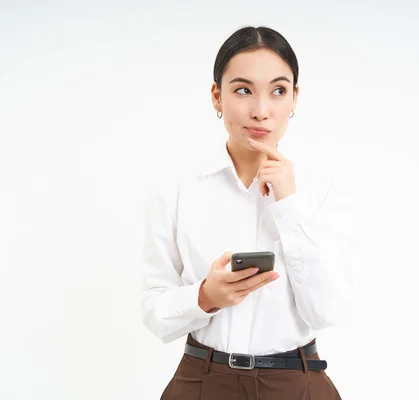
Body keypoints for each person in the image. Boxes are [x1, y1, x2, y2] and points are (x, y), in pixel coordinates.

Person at [141, 25, 349, 399]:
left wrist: (288, 205)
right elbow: (155, 312)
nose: (261, 110)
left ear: (294, 99)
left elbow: (325, 312)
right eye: (243, 90)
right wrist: (205, 296)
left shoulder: (320, 187)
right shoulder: (177, 189)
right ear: (216, 96)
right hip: (203, 381)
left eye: (278, 90)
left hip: (296, 382)